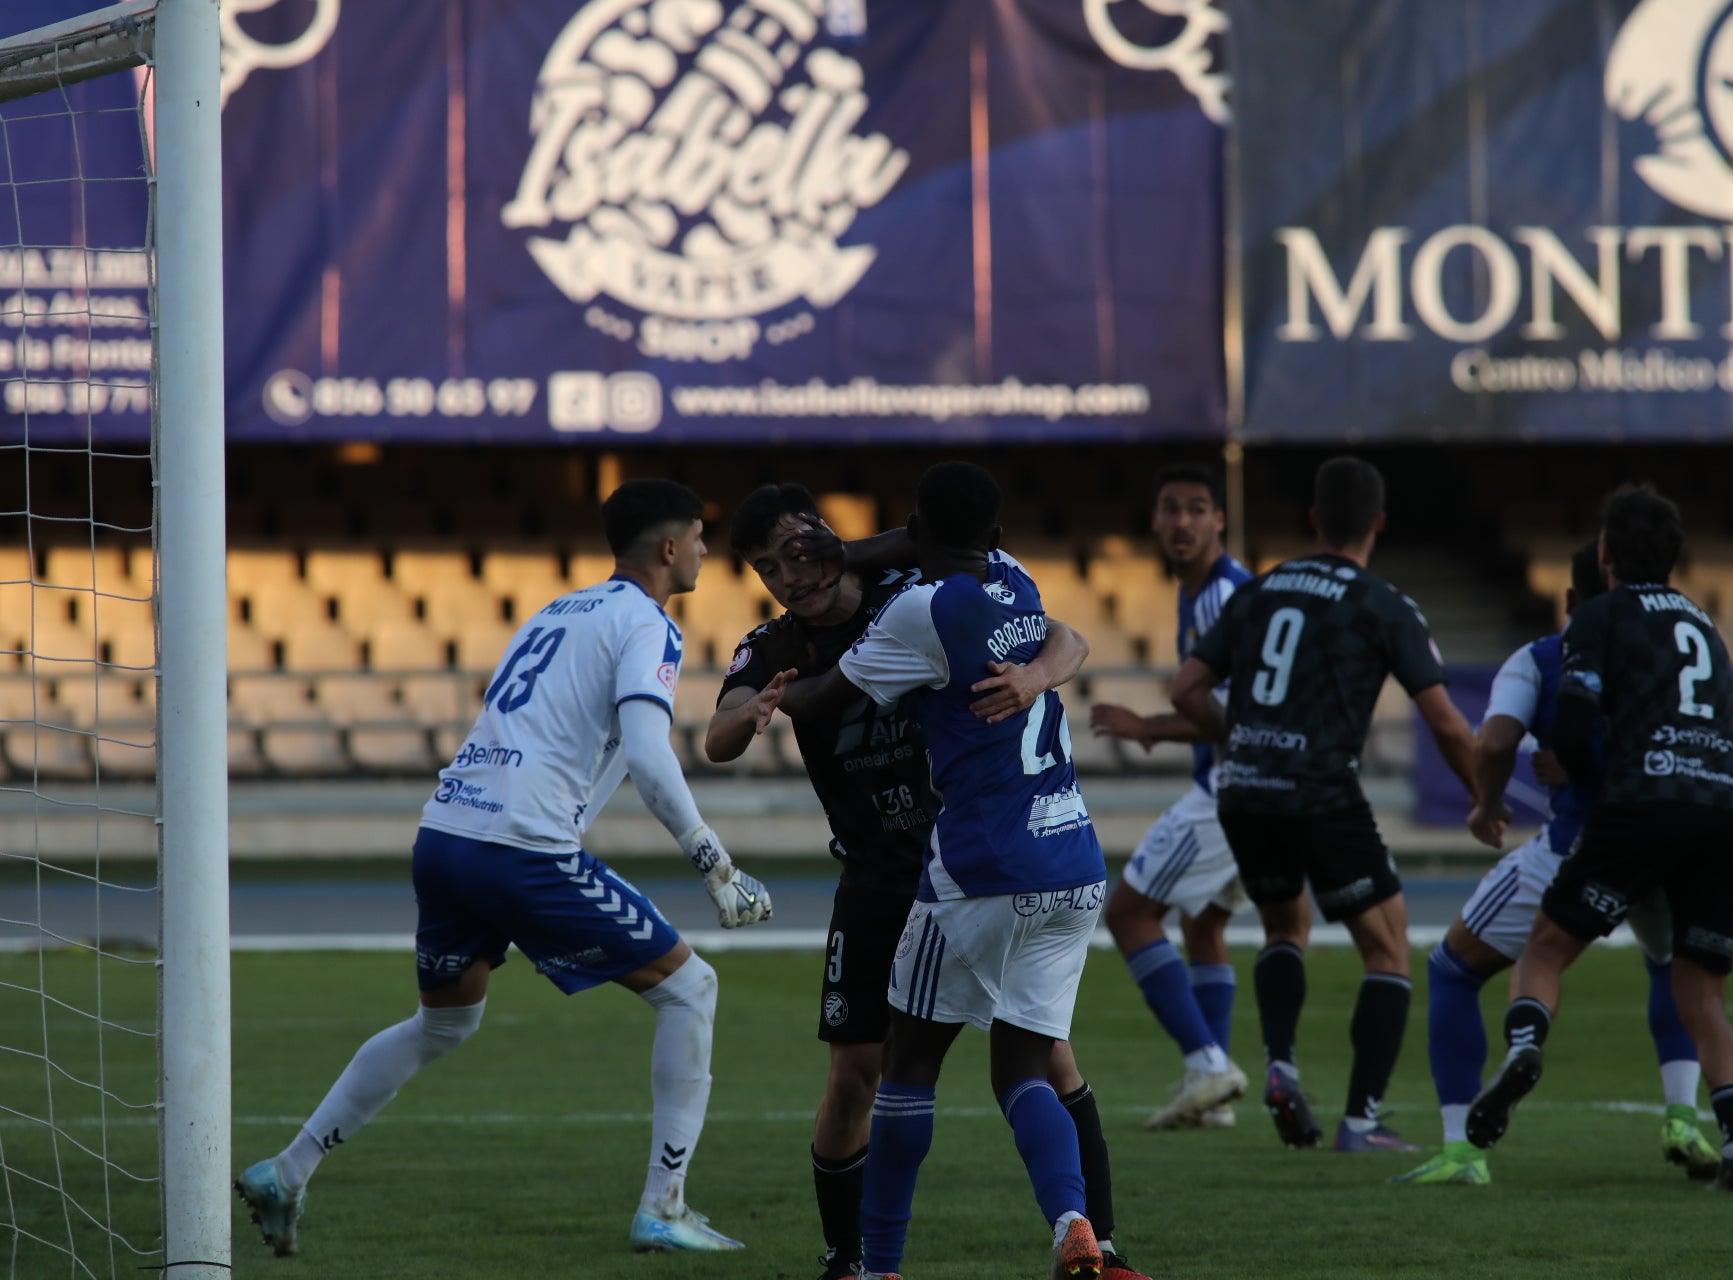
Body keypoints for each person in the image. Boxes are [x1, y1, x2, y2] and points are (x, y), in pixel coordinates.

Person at [234, 479, 775, 1257]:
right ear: (668, 547)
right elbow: (651, 756)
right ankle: (665, 1206)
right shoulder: (647, 625)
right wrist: (714, 863)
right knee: (693, 990)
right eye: (697, 537)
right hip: (521, 851)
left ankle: (289, 1171)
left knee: (443, 1023)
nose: (702, 550)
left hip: (446, 835)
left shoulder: (553, 612)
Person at [705, 484, 1131, 1279]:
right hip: (879, 873)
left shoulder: (915, 596)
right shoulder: (771, 645)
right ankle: (848, 1257)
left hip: (959, 863)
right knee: (854, 1077)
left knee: (1030, 1063)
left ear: (835, 536)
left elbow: (1066, 639)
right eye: (769, 565)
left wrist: (1035, 676)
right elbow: (719, 735)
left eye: (801, 549)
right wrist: (756, 708)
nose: (789, 575)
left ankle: (1099, 1245)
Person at [1170, 455, 1483, 1154]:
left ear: (1313, 519)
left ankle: (1281, 1066)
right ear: (1377, 523)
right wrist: (1484, 800)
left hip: (1244, 786)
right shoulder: (1384, 603)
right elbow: (1446, 723)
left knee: (1286, 928)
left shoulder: (1261, 588)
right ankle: (1361, 1123)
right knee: (1389, 946)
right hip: (1320, 790)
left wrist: (1248, 737)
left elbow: (1184, 690)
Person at [1466, 484, 1733, 1192]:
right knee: (1703, 997)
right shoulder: (1704, 624)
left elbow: (1575, 717)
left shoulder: (1598, 616)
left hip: (1643, 806)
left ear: (1604, 555)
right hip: (1724, 812)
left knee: (1545, 946)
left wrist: (1569, 760)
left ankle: (1525, 1046)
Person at [1390, 543, 1721, 1187]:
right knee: (1671, 970)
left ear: (1570, 601)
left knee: (1453, 968)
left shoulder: (1541, 658)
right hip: (1664, 850)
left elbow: (1492, 741)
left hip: (1573, 851)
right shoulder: (1666, 654)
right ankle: (1683, 1115)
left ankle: (1464, 1149)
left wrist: (1486, 805)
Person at [1090, 464, 1258, 1130]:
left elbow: (1244, 713)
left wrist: (1149, 726)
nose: (1181, 522)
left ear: (1219, 518)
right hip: (1256, 792)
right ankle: (1208, 1090)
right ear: (1155, 521)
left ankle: (1209, 1064)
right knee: (1204, 923)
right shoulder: (1205, 592)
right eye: (1169, 509)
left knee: (1128, 915)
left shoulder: (1220, 596)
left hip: (1229, 790)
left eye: (1196, 509)